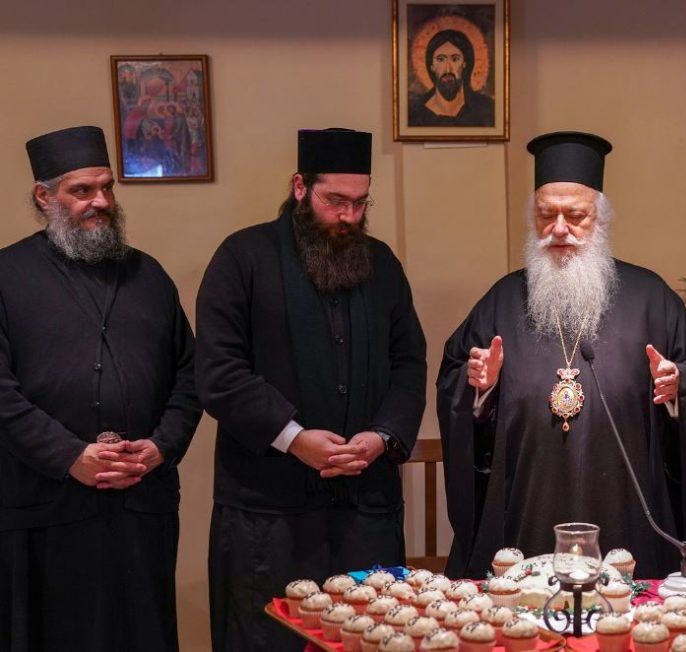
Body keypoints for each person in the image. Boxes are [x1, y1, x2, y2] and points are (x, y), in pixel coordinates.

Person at [437, 131, 686, 579]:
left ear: (600, 219)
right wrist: (480, 390)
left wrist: (677, 389)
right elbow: (455, 380)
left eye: (575, 216)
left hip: (626, 508)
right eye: (545, 215)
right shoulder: (502, 301)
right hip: (527, 505)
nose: (559, 229)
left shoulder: (651, 298)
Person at [196, 128, 427, 651]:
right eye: (335, 201)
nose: (348, 215)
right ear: (300, 188)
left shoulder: (382, 264)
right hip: (268, 517)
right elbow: (218, 372)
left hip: (365, 509)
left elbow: (409, 363)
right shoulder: (243, 257)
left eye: (360, 203)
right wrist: (294, 437)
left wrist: (382, 436)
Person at [0, 125, 201, 651]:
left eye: (107, 187)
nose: (102, 202)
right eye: (83, 190)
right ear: (44, 197)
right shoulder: (7, 274)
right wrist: (70, 455)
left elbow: (190, 375)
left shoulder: (148, 275)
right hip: (44, 507)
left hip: (141, 503)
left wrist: (161, 446)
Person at [408, 28, 495, 127]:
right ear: (431, 65)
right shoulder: (414, 113)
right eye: (441, 59)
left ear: (464, 63)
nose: (448, 69)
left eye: (455, 59)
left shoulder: (486, 109)